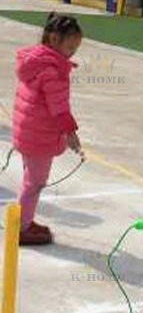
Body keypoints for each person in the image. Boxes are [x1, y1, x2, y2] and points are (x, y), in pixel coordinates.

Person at [11, 12, 83, 246]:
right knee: (35, 183)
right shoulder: (53, 70)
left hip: (27, 131)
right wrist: (70, 134)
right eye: (70, 47)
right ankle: (20, 228)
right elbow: (59, 109)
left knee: (30, 180)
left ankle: (24, 220)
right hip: (39, 137)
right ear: (53, 39)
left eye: (75, 49)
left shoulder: (35, 60)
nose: (72, 53)